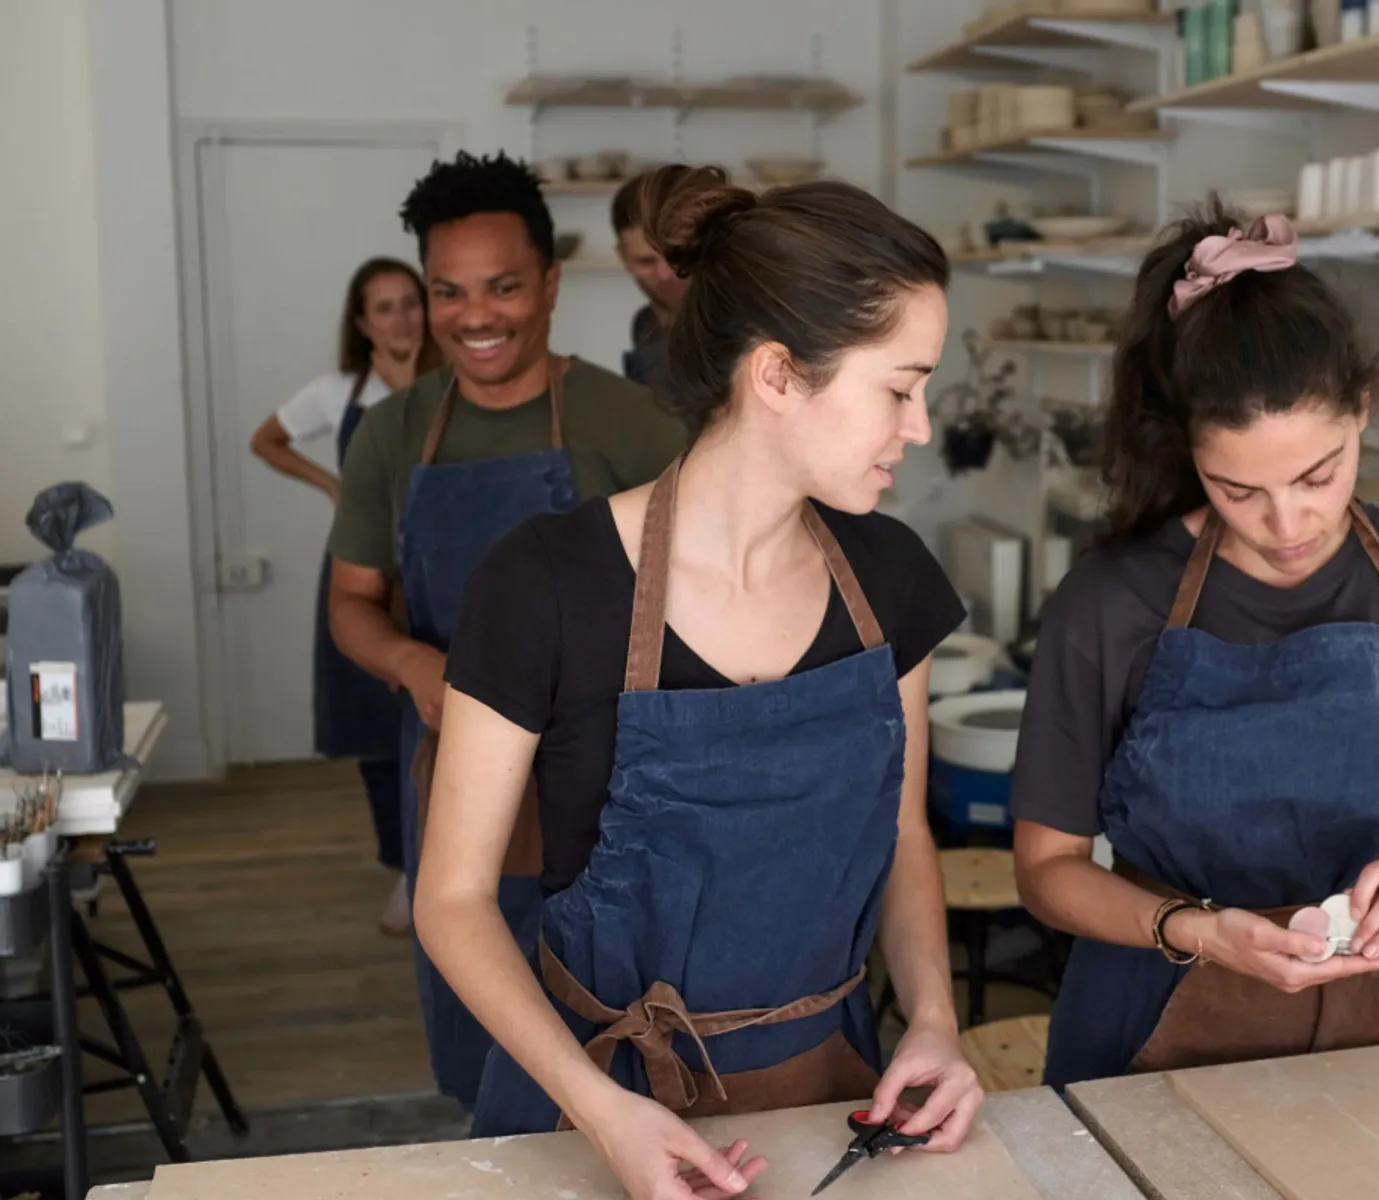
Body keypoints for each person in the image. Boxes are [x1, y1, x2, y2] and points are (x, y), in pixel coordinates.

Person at [415, 164, 983, 1199]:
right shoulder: (545, 586)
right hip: (593, 1106)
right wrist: (606, 1116)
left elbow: (902, 834)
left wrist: (936, 1024)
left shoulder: (889, 582)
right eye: (899, 387)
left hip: (835, 1098)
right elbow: (451, 901)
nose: (921, 426)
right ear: (777, 375)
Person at [1010, 199, 1379, 1090]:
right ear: (1188, 451)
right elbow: (1048, 869)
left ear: (1362, 410)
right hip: (1137, 1041)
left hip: (1365, 1045)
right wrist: (1200, 931)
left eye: (1319, 475)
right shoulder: (1111, 601)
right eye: (1237, 489)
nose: (1287, 522)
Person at [326, 150, 687, 1109]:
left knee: (623, 1023)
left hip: (616, 777)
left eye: (503, 288)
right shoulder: (394, 434)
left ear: (551, 285)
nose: (475, 316)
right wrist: (414, 665)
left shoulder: (633, 422)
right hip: (455, 765)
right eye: (449, 292)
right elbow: (351, 603)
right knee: (480, 1018)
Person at [250, 256, 441, 937]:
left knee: (441, 719)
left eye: (410, 303)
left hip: (436, 568)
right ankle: (403, 868)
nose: (400, 318)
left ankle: (445, 865)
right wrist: (334, 488)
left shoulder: (454, 383)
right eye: (384, 307)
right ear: (361, 323)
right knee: (372, 730)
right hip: (361, 573)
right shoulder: (338, 391)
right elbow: (265, 440)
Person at [611, 171, 688, 386]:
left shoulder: (746, 326)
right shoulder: (645, 323)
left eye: (677, 256)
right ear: (623, 257)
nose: (666, 274)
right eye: (646, 262)